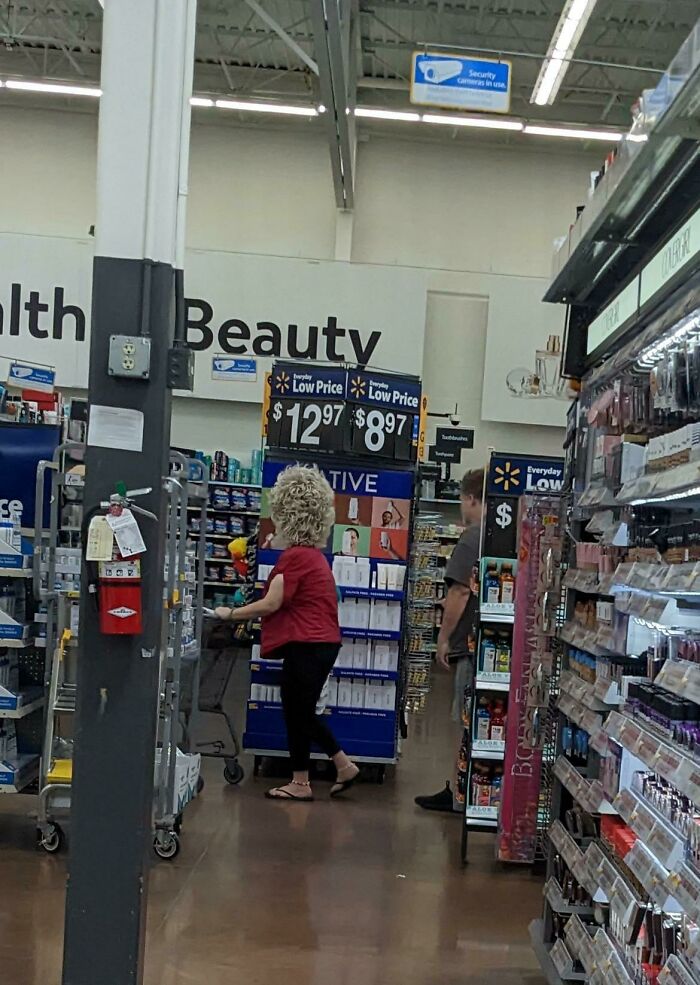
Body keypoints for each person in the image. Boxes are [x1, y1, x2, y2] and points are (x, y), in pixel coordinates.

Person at [215, 464, 359, 802]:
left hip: (307, 644)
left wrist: (230, 613)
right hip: (320, 643)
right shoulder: (312, 557)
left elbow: (271, 603)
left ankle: (304, 781)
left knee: (298, 711)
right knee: (301, 710)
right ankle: (340, 766)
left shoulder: (295, 557)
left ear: (286, 514)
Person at [414, 468, 485, 812]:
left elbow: (458, 592)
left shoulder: (472, 538)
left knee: (469, 724)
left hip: (469, 647)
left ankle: (462, 796)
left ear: (471, 498)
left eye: (461, 498)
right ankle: (469, 793)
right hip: (491, 645)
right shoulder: (506, 533)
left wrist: (442, 638)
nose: (461, 505)